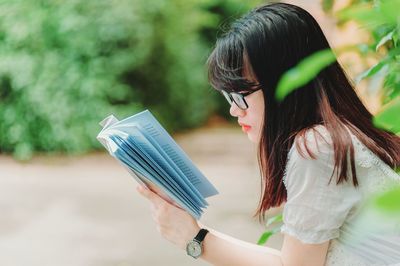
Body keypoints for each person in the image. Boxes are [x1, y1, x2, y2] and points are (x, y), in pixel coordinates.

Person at [137, 3, 400, 265]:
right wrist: (196, 234)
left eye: (240, 95)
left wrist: (194, 239)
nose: (233, 110)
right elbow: (293, 259)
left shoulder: (317, 147)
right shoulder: (339, 135)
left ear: (282, 85)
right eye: (228, 96)